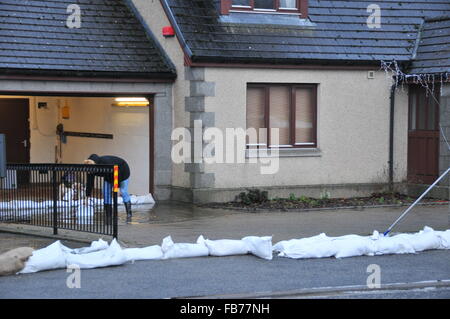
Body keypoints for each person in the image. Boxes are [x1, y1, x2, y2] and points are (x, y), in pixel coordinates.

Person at [84, 154, 133, 223]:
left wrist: (117, 187)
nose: (90, 170)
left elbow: (117, 173)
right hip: (109, 176)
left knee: (123, 191)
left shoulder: (106, 162)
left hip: (122, 172)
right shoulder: (90, 167)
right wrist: (87, 196)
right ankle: (108, 215)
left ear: (95, 164)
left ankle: (129, 213)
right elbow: (90, 181)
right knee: (105, 192)